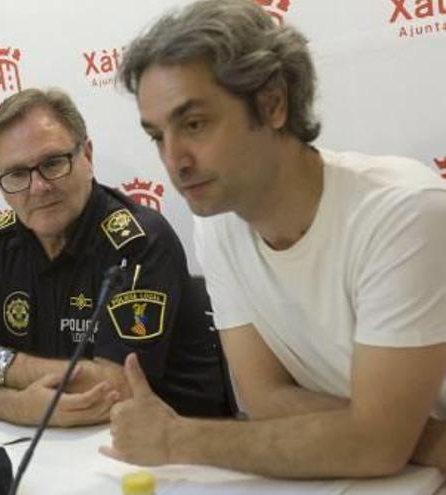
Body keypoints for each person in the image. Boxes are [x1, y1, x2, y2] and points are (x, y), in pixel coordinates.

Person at [104, 0, 446, 477]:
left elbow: (377, 446)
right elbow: (262, 398)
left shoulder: (402, 211)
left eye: (195, 124)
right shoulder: (218, 222)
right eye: (157, 136)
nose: (173, 160)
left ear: (274, 104)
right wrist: (410, 435)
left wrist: (174, 437)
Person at [0, 88, 231, 427]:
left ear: (86, 155)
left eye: (52, 163)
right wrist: (21, 407)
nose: (38, 187)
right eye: (17, 174)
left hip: (171, 446)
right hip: (53, 445)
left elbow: (119, 386)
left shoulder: (138, 241)